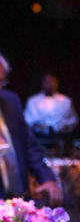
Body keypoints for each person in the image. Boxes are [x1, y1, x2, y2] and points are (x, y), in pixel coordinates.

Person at [0, 53, 61, 204]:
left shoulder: (11, 101)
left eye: (0, 81)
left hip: (20, 201)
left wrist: (47, 179)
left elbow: (29, 146)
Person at [24, 73, 78, 140]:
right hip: (38, 138)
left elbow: (73, 120)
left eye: (52, 81)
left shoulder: (65, 101)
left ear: (57, 83)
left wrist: (64, 125)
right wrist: (38, 125)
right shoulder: (33, 100)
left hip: (60, 137)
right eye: (47, 82)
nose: (50, 84)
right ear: (42, 83)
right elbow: (28, 119)